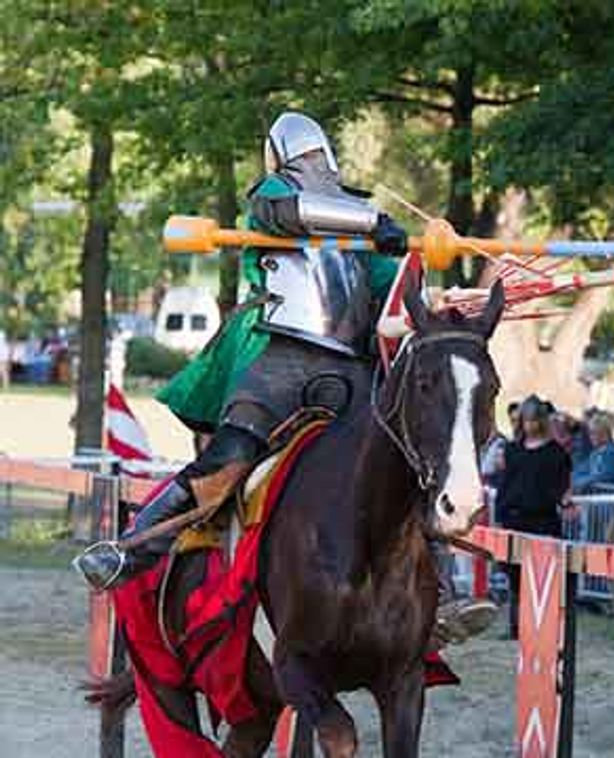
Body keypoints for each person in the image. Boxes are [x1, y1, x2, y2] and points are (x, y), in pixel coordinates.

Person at [73, 111, 495, 644]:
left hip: (349, 368)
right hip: (284, 361)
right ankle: (131, 550)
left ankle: (442, 598)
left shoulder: (361, 212)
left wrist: (430, 292)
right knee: (227, 457)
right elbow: (287, 212)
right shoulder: (278, 196)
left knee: (401, 459)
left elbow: (392, 293)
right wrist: (373, 228)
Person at [497, 396, 574, 638]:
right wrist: (500, 515)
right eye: (525, 420)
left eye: (532, 420)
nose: (528, 425)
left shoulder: (555, 454)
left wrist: (565, 501)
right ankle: (516, 628)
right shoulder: (513, 450)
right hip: (513, 520)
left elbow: (561, 487)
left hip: (542, 523)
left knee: (542, 582)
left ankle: (539, 631)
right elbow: (505, 486)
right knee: (515, 581)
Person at [572, 412, 614, 494]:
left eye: (594, 433)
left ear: (605, 434)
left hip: (611, 499)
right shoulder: (595, 454)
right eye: (590, 433)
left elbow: (603, 476)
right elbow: (583, 469)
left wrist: (581, 483)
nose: (591, 437)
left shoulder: (612, 453)